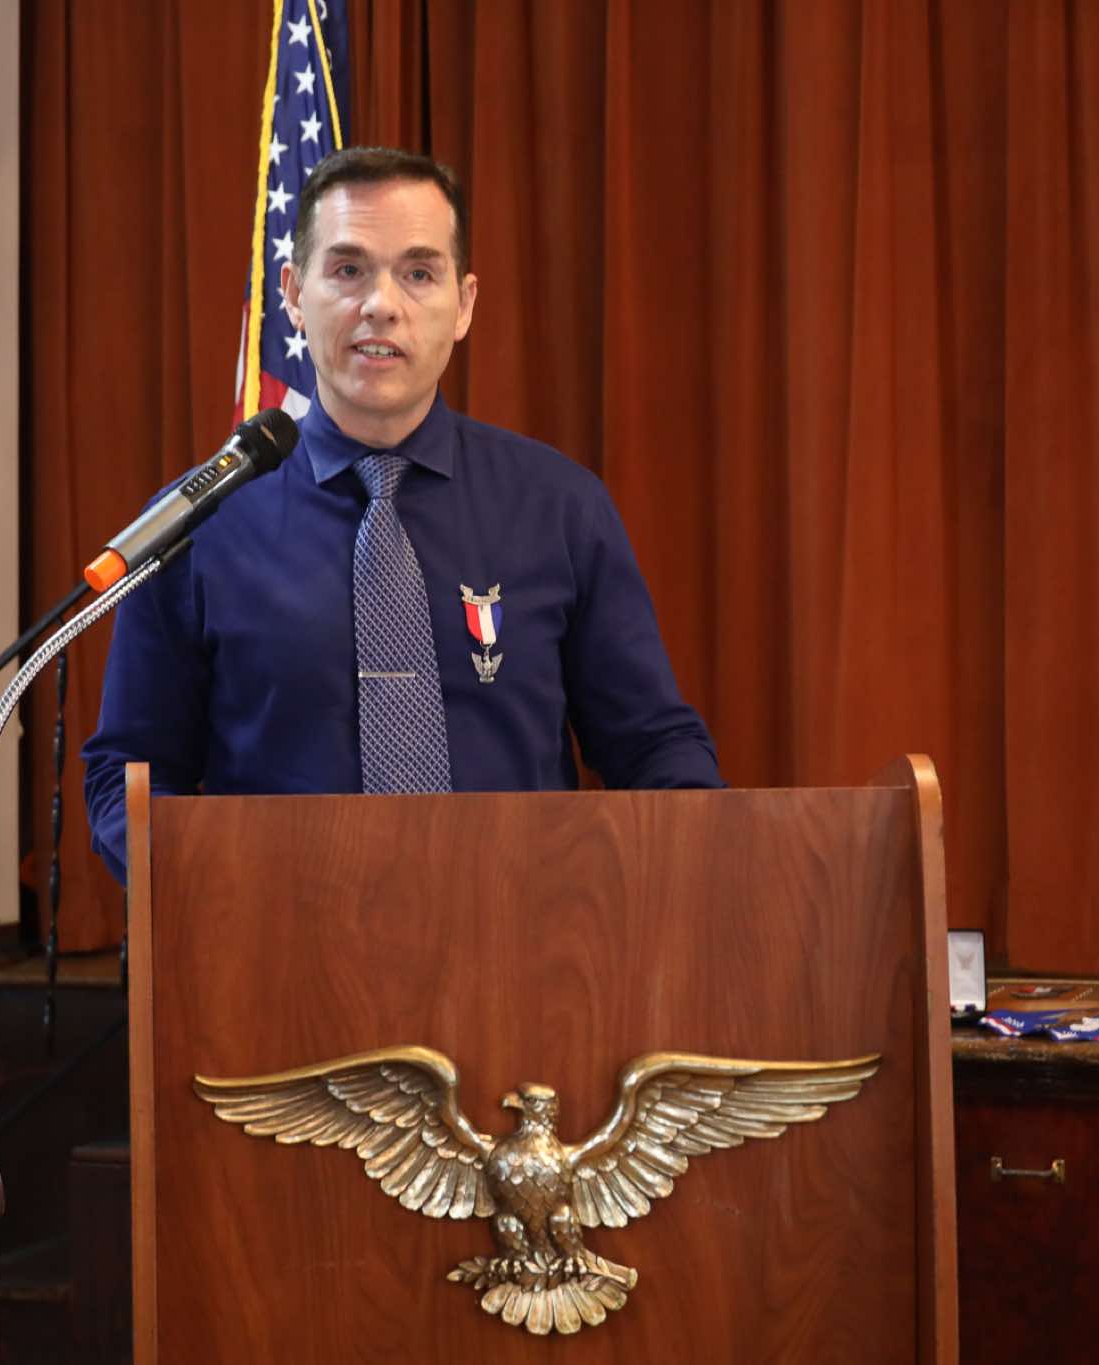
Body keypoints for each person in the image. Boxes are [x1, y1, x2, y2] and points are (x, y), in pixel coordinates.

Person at [81, 147, 719, 884]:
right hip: (279, 939)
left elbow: (651, 745)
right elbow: (130, 777)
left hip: (521, 933)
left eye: (418, 273)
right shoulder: (198, 526)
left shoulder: (560, 507)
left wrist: (709, 862)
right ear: (293, 294)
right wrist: (218, 896)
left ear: (465, 304)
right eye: (349, 269)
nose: (381, 304)